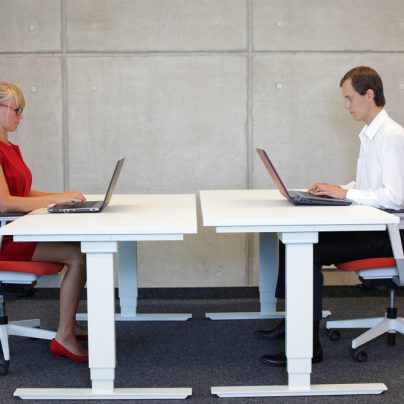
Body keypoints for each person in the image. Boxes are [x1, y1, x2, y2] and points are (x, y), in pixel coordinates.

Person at [256, 66, 404, 367]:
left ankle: (307, 346)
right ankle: (293, 323)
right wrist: (338, 188)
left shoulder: (391, 136)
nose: (346, 106)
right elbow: (368, 188)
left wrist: (345, 195)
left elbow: (395, 197)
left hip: (388, 237)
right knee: (291, 241)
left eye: (350, 99)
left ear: (370, 94)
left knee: (306, 248)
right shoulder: (371, 135)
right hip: (373, 229)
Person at [0, 82, 89, 363]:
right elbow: (5, 203)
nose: (21, 116)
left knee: (80, 248)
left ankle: (68, 325)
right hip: (5, 239)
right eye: (17, 109)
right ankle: (64, 336)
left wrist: (62, 197)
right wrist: (56, 200)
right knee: (76, 254)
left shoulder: (9, 147)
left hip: (14, 231)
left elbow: (22, 194)